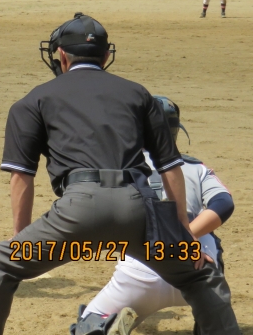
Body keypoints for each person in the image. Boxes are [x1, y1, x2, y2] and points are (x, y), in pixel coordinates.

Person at [0, 12, 239, 335]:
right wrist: (183, 233)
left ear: (61, 55)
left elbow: (22, 177)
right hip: (137, 211)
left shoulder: (34, 100)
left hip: (78, 212)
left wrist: (21, 239)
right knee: (201, 275)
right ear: (105, 56)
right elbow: (170, 166)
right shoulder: (138, 94)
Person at [73, 95, 234, 335]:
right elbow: (224, 204)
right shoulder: (195, 167)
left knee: (87, 324)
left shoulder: (119, 170)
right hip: (197, 269)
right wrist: (183, 235)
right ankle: (208, 319)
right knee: (212, 243)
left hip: (138, 274)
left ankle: (102, 323)